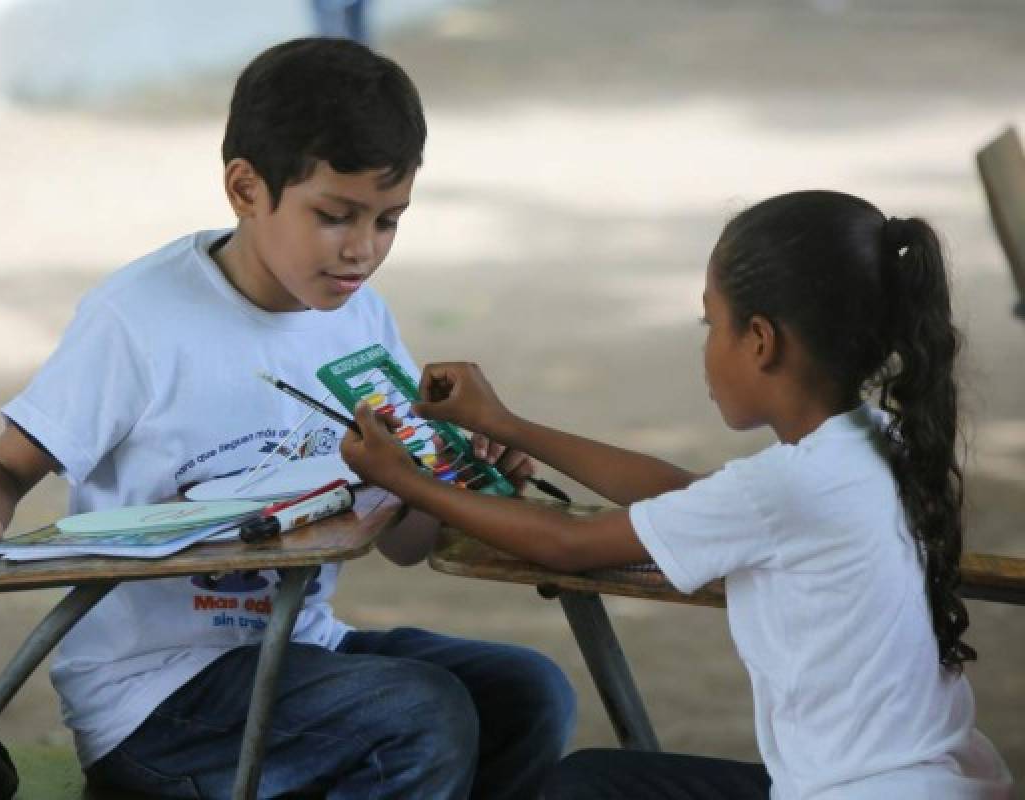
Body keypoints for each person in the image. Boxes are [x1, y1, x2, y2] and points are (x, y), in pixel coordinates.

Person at [0, 37, 574, 799]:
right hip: (155, 698)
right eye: (335, 216)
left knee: (528, 693)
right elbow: (4, 467)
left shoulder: (360, 321)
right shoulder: (139, 319)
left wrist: (468, 479)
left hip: (299, 651)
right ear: (246, 188)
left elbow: (406, 541)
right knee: (420, 717)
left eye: (389, 221)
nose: (362, 251)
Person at [341, 190, 1015, 799]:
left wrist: (406, 480)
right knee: (590, 784)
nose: (706, 348)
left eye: (709, 325)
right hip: (931, 785)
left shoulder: (789, 487)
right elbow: (693, 498)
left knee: (583, 794)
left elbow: (567, 544)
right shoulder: (872, 439)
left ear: (759, 341)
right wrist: (505, 425)